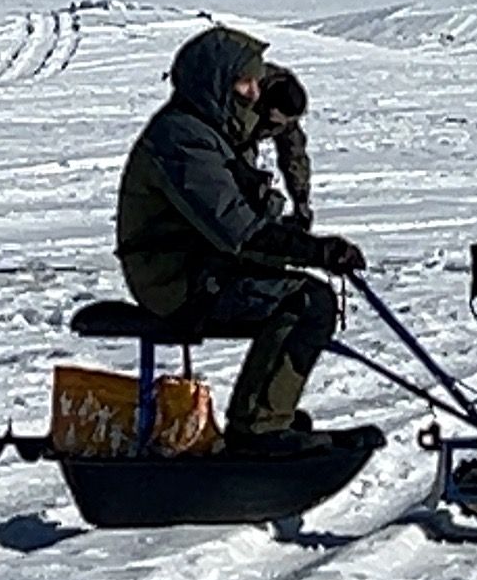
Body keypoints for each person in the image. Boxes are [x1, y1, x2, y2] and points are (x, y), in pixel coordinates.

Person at [115, 26, 375, 458]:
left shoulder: (214, 128)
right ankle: (259, 431)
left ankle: (268, 415)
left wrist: (296, 212)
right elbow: (237, 231)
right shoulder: (184, 140)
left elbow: (279, 160)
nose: (254, 94)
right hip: (174, 280)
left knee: (301, 293)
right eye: (245, 84)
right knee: (306, 302)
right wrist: (316, 251)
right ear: (216, 84)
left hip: (202, 264)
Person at [237, 63, 314, 231]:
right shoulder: (245, 93)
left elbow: (294, 153)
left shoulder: (287, 105)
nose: (285, 124)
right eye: (281, 120)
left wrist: (301, 198)